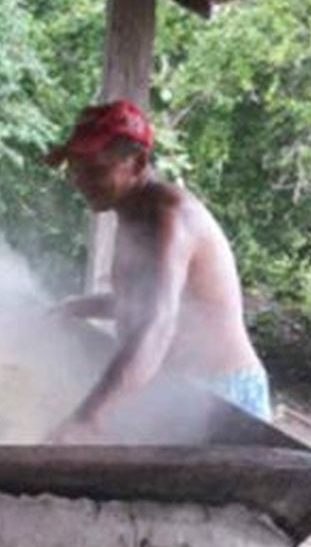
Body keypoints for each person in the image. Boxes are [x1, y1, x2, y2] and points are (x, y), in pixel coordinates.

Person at [44, 99, 269, 444]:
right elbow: (140, 302)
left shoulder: (171, 217)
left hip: (220, 396)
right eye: (75, 168)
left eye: (96, 170)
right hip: (174, 389)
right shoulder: (131, 211)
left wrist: (87, 419)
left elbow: (158, 324)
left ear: (137, 163)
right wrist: (76, 306)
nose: (80, 180)